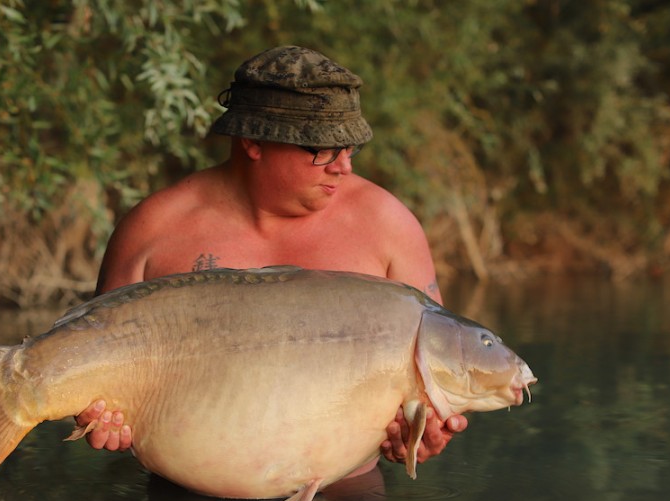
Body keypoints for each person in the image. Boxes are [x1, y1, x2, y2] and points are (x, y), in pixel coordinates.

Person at [75, 45, 467, 478]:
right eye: (320, 149)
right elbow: (92, 371)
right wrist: (99, 417)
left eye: (349, 148)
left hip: (345, 497)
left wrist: (423, 431)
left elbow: (436, 383)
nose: (343, 168)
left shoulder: (388, 225)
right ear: (253, 141)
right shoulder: (154, 229)